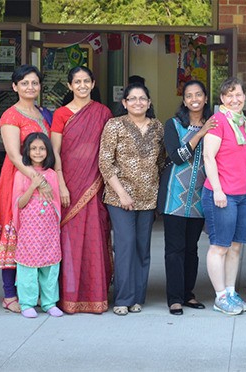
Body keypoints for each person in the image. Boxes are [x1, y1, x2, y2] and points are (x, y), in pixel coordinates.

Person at [0, 65, 53, 313]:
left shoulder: (42, 114)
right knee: (14, 233)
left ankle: (29, 291)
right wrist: (37, 180)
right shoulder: (10, 115)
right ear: (15, 87)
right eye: (24, 83)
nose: (30, 87)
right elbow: (14, 155)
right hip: (18, 180)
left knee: (34, 236)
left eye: (34, 83)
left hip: (40, 179)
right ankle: (10, 294)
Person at [51, 66, 113, 314]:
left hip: (96, 184)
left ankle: (96, 295)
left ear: (93, 83)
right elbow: (55, 152)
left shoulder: (103, 112)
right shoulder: (61, 114)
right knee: (69, 241)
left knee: (95, 237)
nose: (82, 86)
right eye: (77, 82)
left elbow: (109, 149)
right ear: (69, 86)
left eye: (86, 81)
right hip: (70, 185)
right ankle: (69, 296)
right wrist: (61, 183)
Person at [99, 83, 165, 316]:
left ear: (149, 102)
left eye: (142, 98)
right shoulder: (114, 125)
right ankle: (122, 298)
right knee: (125, 245)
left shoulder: (157, 127)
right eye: (132, 98)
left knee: (142, 248)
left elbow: (161, 162)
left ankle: (137, 297)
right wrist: (122, 193)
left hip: (148, 197)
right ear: (124, 103)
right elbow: (105, 163)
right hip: (120, 198)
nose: (138, 102)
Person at [160, 80, 215, 315]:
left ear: (205, 98)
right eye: (189, 95)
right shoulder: (173, 125)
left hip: (199, 197)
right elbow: (178, 156)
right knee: (174, 249)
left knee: (192, 249)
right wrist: (201, 133)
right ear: (184, 101)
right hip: (174, 196)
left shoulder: (215, 124)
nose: (194, 99)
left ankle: (187, 294)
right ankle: (174, 297)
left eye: (198, 94)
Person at [202, 77, 246, 316]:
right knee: (219, 247)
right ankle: (220, 296)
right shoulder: (218, 121)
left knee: (235, 247)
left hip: (244, 193)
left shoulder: (243, 122)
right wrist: (218, 190)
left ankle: (231, 292)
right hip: (222, 194)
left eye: (239, 94)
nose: (235, 99)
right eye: (229, 95)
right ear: (222, 99)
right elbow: (208, 157)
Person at [12, 133, 63, 318]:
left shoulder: (51, 174)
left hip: (48, 229)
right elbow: (19, 203)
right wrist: (33, 185)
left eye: (42, 148)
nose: (38, 152)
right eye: (33, 148)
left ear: (48, 151)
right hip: (29, 229)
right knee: (28, 268)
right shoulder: (22, 173)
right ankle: (27, 303)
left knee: (50, 267)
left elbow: (56, 202)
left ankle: (50, 302)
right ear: (27, 151)